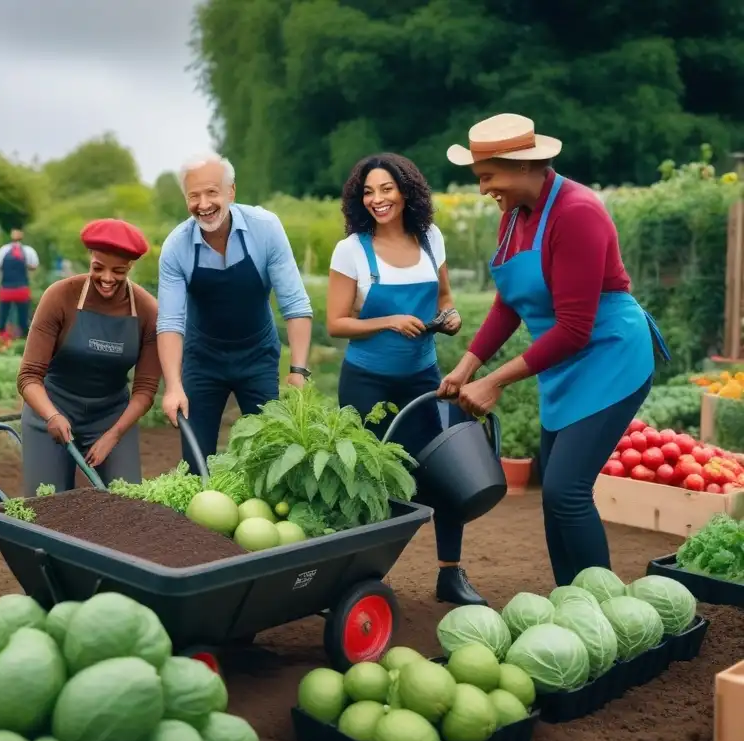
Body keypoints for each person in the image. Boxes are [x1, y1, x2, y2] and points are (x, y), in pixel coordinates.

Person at [438, 113, 669, 587]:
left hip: (609, 356)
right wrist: (466, 367)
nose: (483, 189)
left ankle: (604, 609)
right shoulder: (516, 214)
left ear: (524, 166)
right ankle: (572, 602)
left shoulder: (576, 213)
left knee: (566, 490)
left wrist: (495, 381)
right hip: (565, 363)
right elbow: (510, 304)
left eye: (487, 177)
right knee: (555, 492)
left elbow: (575, 329)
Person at [326, 153, 484, 606]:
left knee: (447, 469)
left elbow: (446, 298)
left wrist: (450, 318)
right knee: (364, 479)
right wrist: (389, 320)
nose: (377, 199)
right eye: (369, 192)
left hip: (424, 380)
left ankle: (450, 574)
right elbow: (336, 323)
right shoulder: (352, 249)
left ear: (406, 190)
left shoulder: (431, 238)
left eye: (386, 189)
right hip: (367, 384)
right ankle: (357, 581)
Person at [157, 151, 314, 472]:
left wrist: (299, 371)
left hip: (258, 356)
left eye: (212, 192)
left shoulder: (265, 229)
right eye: (194, 195)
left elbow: (295, 304)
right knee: (195, 461)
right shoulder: (176, 247)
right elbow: (171, 322)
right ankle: (199, 520)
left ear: (231, 192)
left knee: (269, 456)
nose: (203, 204)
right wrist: (173, 386)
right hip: (202, 360)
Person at [17, 219, 160, 496]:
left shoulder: (146, 310)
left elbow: (145, 390)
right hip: (51, 408)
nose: (107, 278)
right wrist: (52, 416)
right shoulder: (60, 296)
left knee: (127, 504)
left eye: (118, 271)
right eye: (98, 268)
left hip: (111, 415)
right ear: (90, 259)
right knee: (48, 506)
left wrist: (114, 434)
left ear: (130, 266)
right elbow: (28, 377)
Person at [0, 228, 40, 337]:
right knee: (23, 315)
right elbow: (34, 266)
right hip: (21, 289)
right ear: (22, 237)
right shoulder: (29, 251)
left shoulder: (3, 250)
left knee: (3, 314)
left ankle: (1, 335)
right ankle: (24, 337)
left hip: (6, 289)